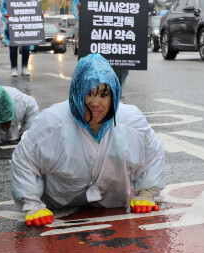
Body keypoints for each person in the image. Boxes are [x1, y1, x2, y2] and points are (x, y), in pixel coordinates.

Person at [11, 54, 165, 226]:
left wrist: (146, 193)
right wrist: (32, 203)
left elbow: (153, 154)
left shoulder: (131, 122)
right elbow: (25, 157)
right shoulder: (51, 123)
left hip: (111, 209)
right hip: (58, 207)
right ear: (77, 92)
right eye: (88, 94)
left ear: (114, 94)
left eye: (103, 95)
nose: (95, 103)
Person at [1, 0, 34, 77]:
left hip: (26, 26)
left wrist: (38, 15)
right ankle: (14, 68)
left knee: (26, 48)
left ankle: (24, 68)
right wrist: (6, 15)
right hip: (13, 26)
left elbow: (35, 8)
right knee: (13, 48)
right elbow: (3, 7)